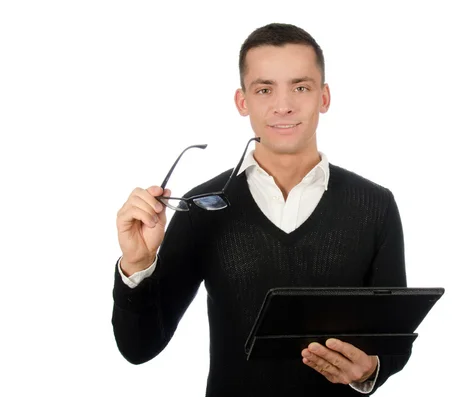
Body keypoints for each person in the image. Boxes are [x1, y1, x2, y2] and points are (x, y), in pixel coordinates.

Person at [112, 23, 410, 396]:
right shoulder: (202, 208)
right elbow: (139, 347)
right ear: (242, 101)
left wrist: (371, 368)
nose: (283, 105)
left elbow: (393, 338)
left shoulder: (375, 205)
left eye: (300, 87)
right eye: (265, 89)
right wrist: (137, 265)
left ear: (324, 97)